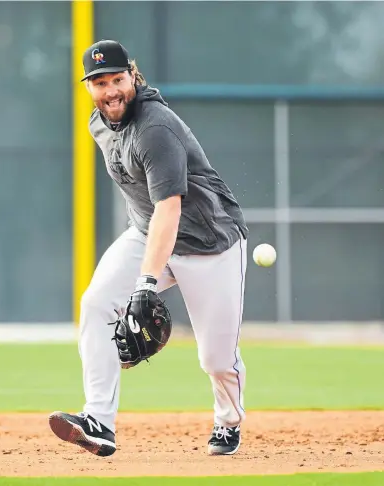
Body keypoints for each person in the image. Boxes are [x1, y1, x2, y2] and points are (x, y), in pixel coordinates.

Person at [49, 40, 249, 457]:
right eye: (99, 82)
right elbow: (143, 200)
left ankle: (228, 422)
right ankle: (99, 421)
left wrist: (145, 284)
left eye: (117, 79)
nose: (110, 90)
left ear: (132, 76)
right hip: (146, 231)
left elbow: (170, 208)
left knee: (216, 360)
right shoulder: (99, 124)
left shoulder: (156, 127)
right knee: (97, 304)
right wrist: (140, 278)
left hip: (206, 241)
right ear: (88, 87)